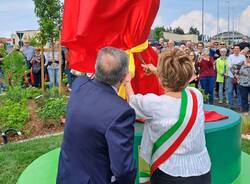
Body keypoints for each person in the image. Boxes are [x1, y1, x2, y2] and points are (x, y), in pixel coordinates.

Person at [125, 49, 211, 184]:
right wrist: (157, 72)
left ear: (162, 78)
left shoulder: (153, 104)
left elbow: (132, 100)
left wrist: (127, 81)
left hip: (169, 173)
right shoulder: (196, 95)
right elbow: (179, 80)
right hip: (202, 170)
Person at [56, 47, 136, 184]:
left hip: (66, 173)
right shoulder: (121, 112)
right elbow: (123, 170)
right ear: (124, 77)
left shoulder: (79, 85)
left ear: (95, 67)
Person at [231, 50, 250, 116]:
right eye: (246, 56)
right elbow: (232, 68)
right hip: (243, 84)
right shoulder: (241, 63)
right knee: (244, 98)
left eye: (249, 56)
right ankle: (245, 112)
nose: (248, 58)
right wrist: (236, 76)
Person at [228, 45, 246, 110]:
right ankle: (231, 105)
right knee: (230, 91)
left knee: (239, 92)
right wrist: (238, 65)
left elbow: (243, 66)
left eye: (237, 49)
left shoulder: (243, 57)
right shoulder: (230, 56)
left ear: (240, 50)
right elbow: (230, 66)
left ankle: (240, 105)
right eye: (235, 49)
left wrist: (235, 66)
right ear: (233, 50)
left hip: (240, 77)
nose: (236, 50)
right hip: (231, 77)